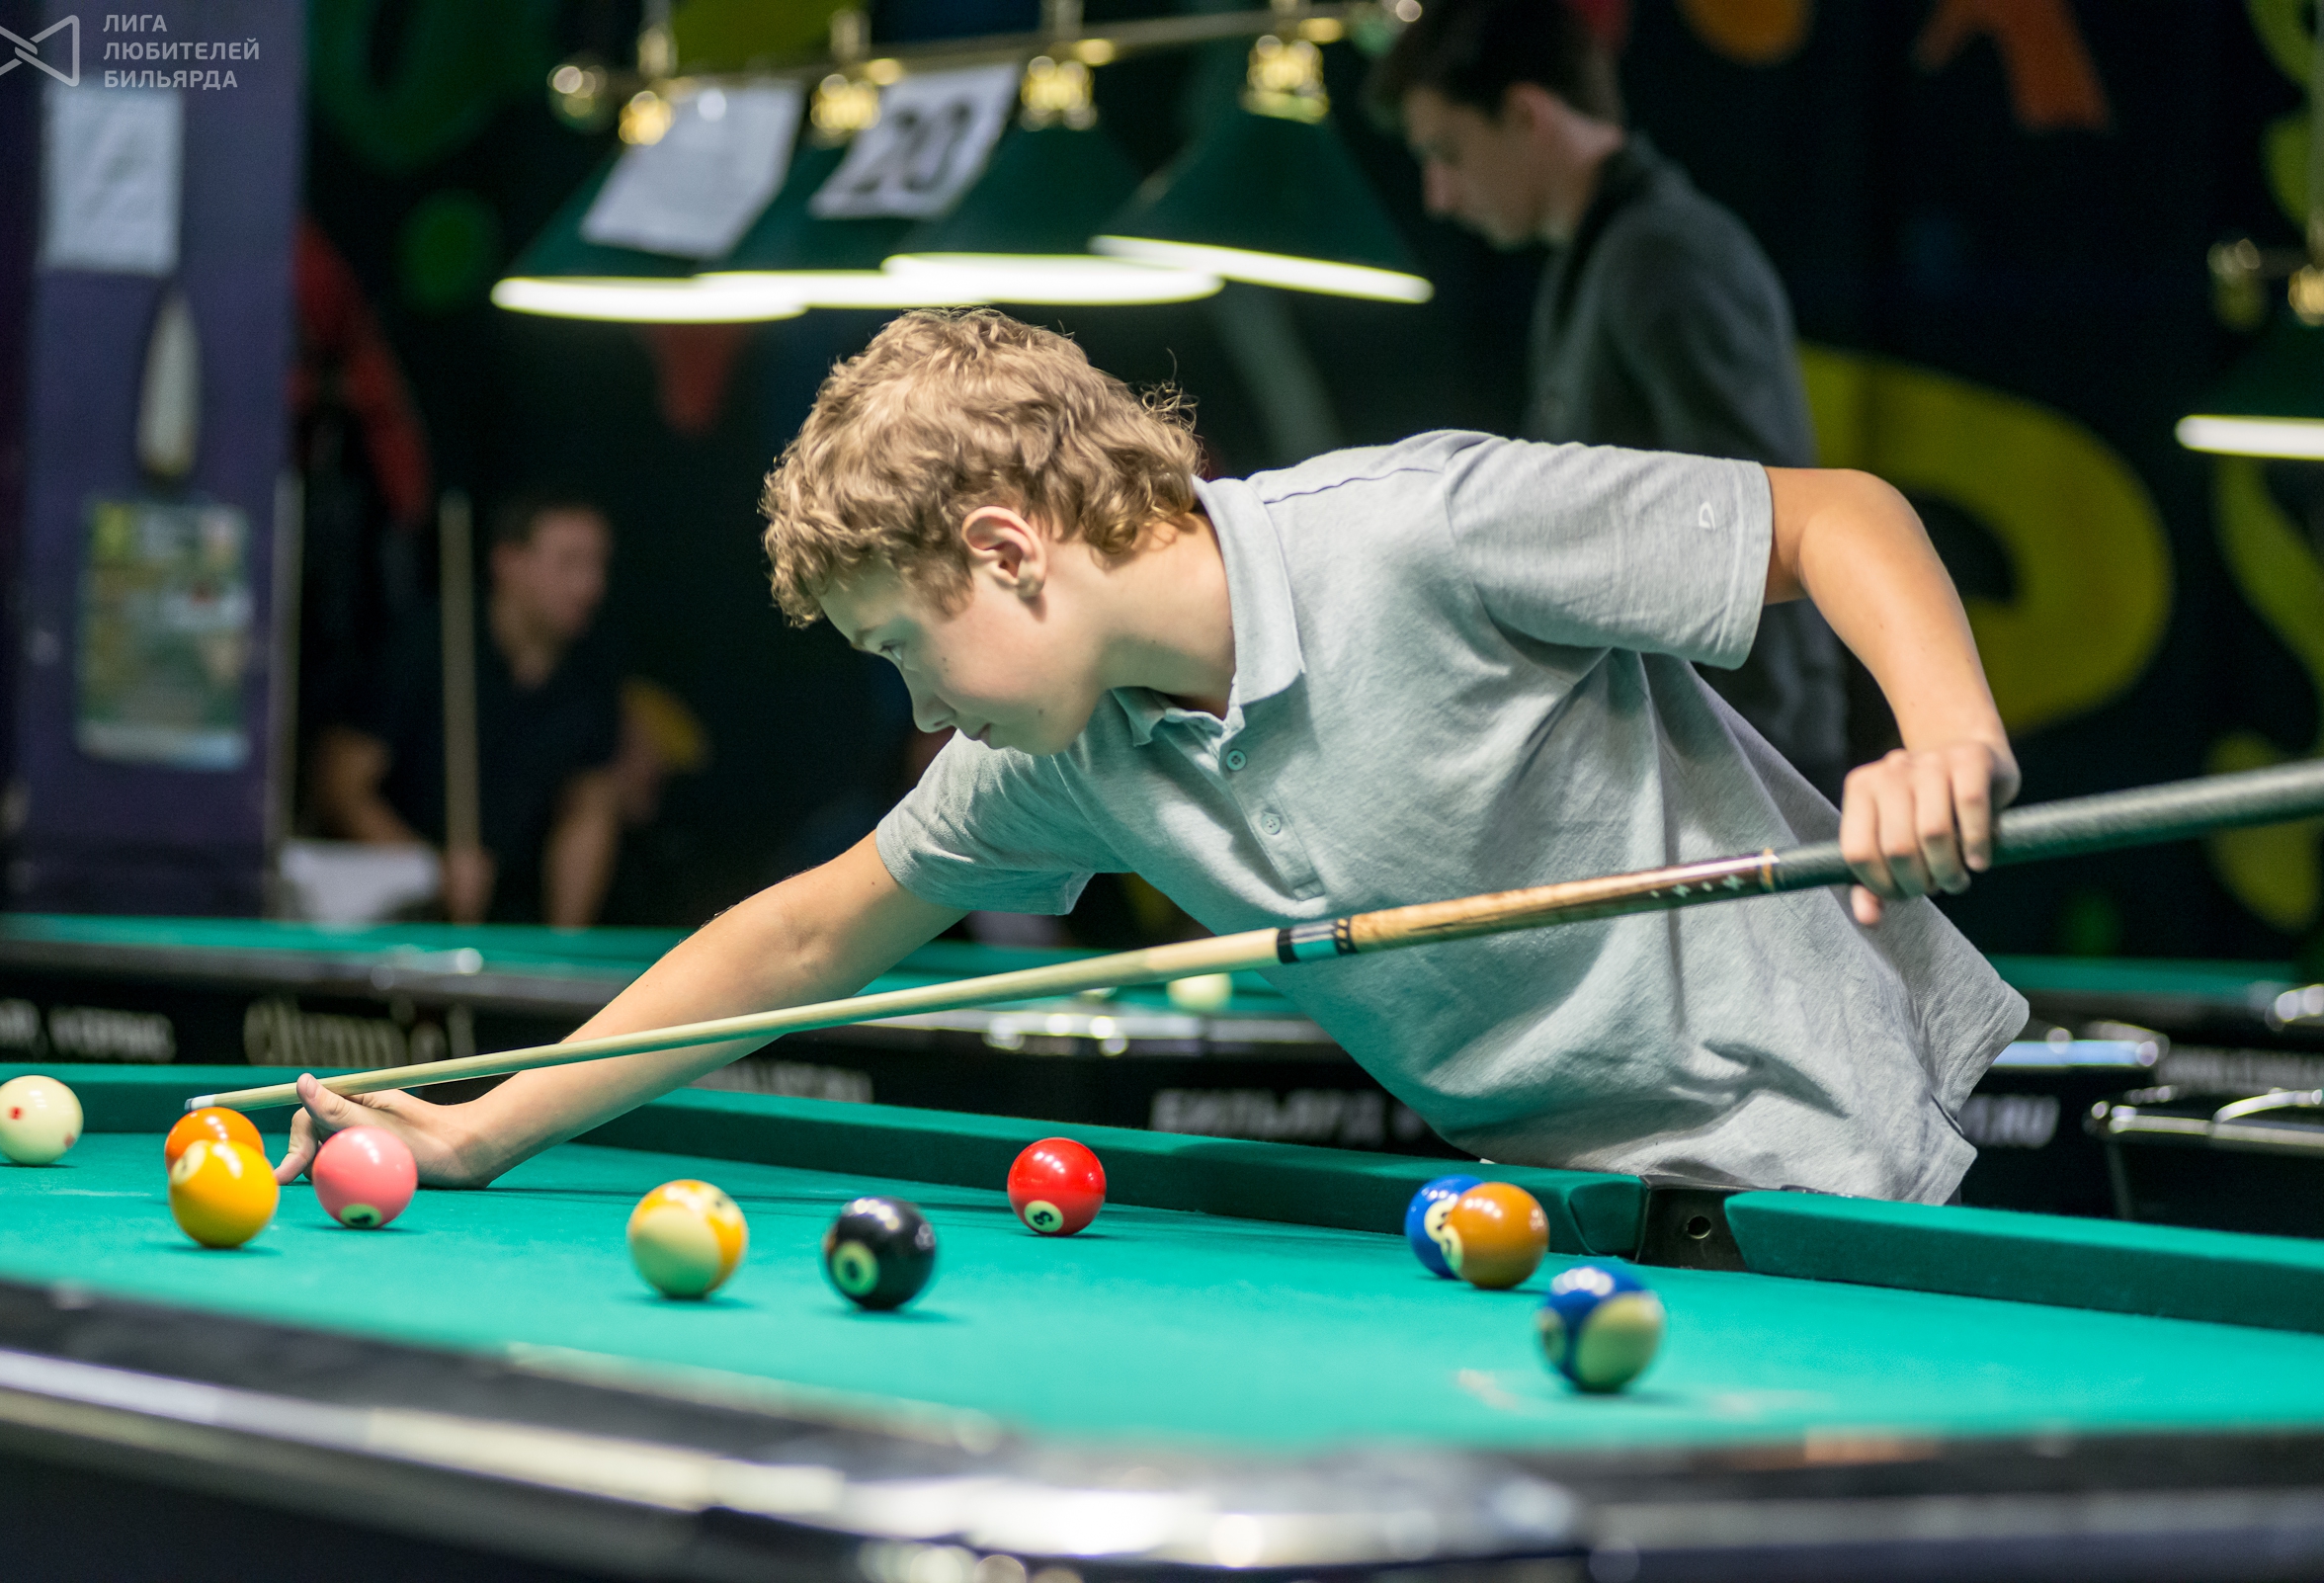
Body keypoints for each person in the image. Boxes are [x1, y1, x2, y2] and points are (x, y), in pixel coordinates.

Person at [275, 311, 2025, 1206]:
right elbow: (801, 936)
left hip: (1845, 1146)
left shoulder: (1415, 530)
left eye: (905, 645)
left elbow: (1837, 519)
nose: (919, 707)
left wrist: (1940, 739)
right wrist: (489, 1127)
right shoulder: (1065, 755)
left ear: (1007, 549)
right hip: (1583, 1197)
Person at [1369, 0, 1850, 797]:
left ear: (1526, 114)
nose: (1439, 195)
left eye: (1447, 152)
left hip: (1748, 770)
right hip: (1710, 765)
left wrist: (1757, 789)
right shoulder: (1608, 256)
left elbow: (1770, 523)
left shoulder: (1661, 255)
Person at [310, 493, 622, 926]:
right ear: (508, 562)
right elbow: (340, 785)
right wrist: (430, 871)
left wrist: (563, 946)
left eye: (597, 565)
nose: (590, 587)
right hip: (395, 918)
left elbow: (590, 809)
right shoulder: (428, 647)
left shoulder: (593, 669)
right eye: (569, 563)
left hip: (516, 921)